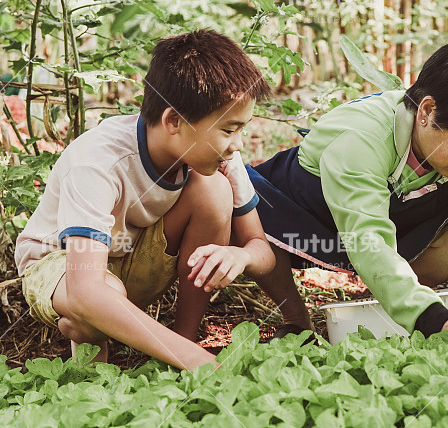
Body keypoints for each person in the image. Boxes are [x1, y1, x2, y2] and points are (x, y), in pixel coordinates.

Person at [15, 30, 275, 369]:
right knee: (94, 301)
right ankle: (95, 366)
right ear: (173, 121)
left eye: (241, 128)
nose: (237, 143)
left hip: (124, 263)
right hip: (61, 268)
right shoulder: (99, 162)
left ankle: (182, 339)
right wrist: (200, 363)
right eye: (228, 130)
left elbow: (262, 250)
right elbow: (85, 290)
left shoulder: (220, 155)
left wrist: (241, 255)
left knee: (213, 190)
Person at [248, 38, 448, 339]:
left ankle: (388, 301)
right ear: (428, 111)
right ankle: (296, 319)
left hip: (395, 218)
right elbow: (368, 238)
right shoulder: (362, 141)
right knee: (246, 209)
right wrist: (430, 319)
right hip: (308, 209)